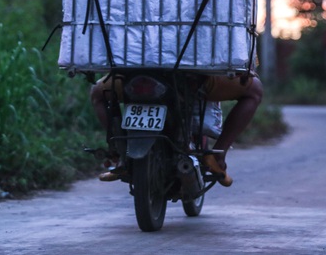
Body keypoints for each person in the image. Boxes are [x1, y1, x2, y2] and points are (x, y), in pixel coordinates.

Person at [90, 72, 263, 187]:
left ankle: (119, 152)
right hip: (191, 75)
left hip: (133, 73)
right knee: (254, 90)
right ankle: (218, 155)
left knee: (98, 93)